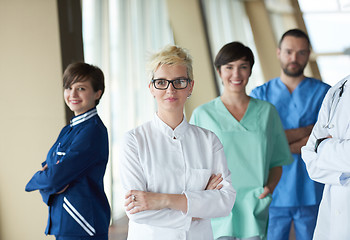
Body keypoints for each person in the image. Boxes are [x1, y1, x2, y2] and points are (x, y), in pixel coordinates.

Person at [119, 45, 236, 240]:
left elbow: (225, 200)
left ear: (190, 86)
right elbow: (137, 211)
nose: (170, 89)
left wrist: (161, 200)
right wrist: (198, 205)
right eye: (162, 82)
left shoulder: (209, 141)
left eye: (179, 81)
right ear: (151, 88)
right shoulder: (134, 141)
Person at [190, 41, 292, 240]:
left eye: (243, 67)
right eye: (229, 67)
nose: (236, 74)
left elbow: (278, 161)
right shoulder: (202, 114)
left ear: (250, 71)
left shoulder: (267, 112)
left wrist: (269, 188)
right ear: (219, 71)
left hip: (253, 206)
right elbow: (192, 164)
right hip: (217, 206)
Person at [250, 29, 331, 240]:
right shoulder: (261, 94)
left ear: (308, 54)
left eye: (301, 52)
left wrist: (275, 143)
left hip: (312, 187)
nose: (294, 58)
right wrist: (308, 133)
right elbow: (258, 140)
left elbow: (328, 139)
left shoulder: (326, 94)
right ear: (278, 52)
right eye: (288, 52)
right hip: (274, 188)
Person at [25, 62, 111, 240]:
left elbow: (53, 177)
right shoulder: (69, 129)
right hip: (65, 220)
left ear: (97, 93)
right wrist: (51, 182)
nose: (72, 94)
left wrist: (38, 179)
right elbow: (50, 171)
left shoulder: (92, 131)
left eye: (80, 88)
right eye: (68, 87)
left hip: (82, 223)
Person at [301, 74, 350, 240]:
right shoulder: (339, 89)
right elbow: (310, 158)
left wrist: (323, 146)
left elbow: (317, 147)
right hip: (333, 222)